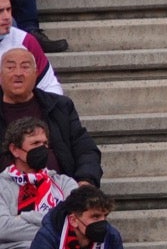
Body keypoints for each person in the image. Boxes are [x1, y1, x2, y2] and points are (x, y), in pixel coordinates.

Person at [0, 49, 99, 184]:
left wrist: (85, 181)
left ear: (36, 74)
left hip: (60, 192)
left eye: (25, 67)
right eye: (11, 67)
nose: (18, 73)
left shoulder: (60, 107)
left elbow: (86, 150)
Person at [0, 118, 78, 249]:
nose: (42, 149)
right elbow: (3, 229)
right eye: (35, 143)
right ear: (15, 149)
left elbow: (75, 223)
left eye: (44, 143)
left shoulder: (65, 183)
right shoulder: (1, 185)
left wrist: (23, 218)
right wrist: (54, 221)